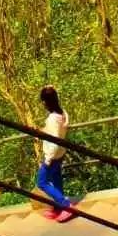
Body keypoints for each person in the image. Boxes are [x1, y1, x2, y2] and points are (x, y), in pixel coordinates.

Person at [34, 83, 75, 222]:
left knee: (42, 182)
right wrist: (42, 131)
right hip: (60, 153)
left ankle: (66, 205)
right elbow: (56, 131)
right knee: (56, 179)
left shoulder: (52, 119)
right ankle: (58, 207)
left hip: (53, 155)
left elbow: (55, 139)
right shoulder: (62, 113)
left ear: (46, 102)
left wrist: (47, 160)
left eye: (43, 101)